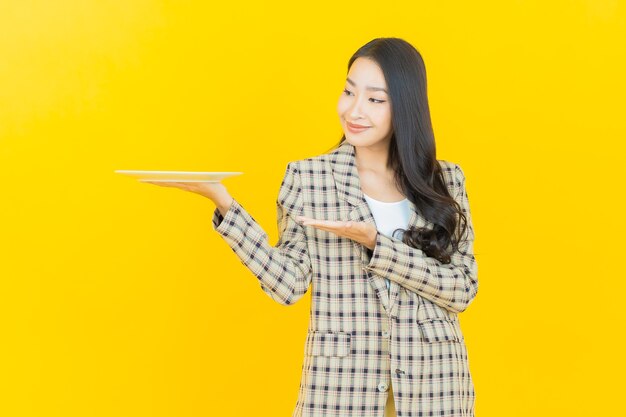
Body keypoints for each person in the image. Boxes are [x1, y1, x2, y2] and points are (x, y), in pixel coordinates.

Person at [145, 37, 478, 417]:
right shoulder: (309, 178)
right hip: (341, 388)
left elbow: (462, 289)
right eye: (349, 91)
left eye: (375, 99)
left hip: (436, 389)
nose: (354, 110)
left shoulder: (446, 181)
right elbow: (288, 285)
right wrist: (224, 203)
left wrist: (376, 244)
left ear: (405, 107)